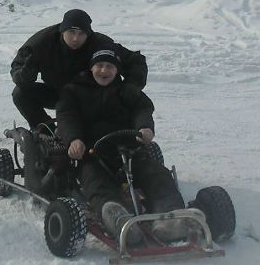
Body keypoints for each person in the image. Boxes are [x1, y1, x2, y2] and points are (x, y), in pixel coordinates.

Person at [55, 48, 187, 245]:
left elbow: (142, 109)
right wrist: (74, 139)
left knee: (156, 173)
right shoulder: (73, 91)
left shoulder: (126, 91)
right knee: (95, 180)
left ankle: (170, 215)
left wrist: (144, 127)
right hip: (92, 152)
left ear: (117, 71)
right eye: (99, 65)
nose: (104, 70)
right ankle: (116, 216)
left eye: (110, 66)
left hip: (128, 149)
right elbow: (67, 117)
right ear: (91, 68)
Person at [10, 8, 146, 131]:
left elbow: (136, 60)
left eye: (81, 33)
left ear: (88, 34)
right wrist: (26, 75)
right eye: (71, 32)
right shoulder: (41, 43)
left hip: (90, 95)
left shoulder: (100, 43)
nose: (76, 38)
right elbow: (17, 69)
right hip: (57, 92)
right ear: (62, 31)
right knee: (20, 93)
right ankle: (47, 132)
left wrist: (132, 85)